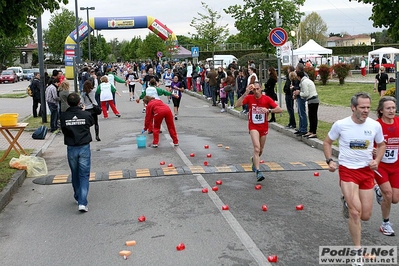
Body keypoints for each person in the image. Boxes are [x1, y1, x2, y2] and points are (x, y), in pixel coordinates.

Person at [323, 92, 385, 258]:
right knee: (355, 213)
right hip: (348, 171)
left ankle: (346, 202)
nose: (366, 110)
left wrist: (377, 160)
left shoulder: (374, 126)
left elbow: (381, 145)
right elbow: (327, 142)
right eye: (362, 107)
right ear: (353, 107)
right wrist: (329, 160)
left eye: (368, 107)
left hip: (366, 172)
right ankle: (357, 252)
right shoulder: (341, 124)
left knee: (366, 215)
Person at [235, 82, 283, 182]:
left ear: (261, 89)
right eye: (254, 90)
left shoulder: (266, 99)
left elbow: (279, 109)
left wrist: (269, 110)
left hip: (263, 127)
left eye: (257, 89)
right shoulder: (249, 97)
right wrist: (246, 93)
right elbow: (237, 105)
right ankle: (258, 171)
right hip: (253, 127)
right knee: (256, 148)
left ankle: (254, 160)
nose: (256, 91)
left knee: (260, 150)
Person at [60, 92, 94, 212]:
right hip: (84, 146)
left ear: (68, 103)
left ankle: (77, 195)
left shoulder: (63, 116)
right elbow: (91, 123)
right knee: (84, 175)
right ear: (80, 102)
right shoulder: (85, 114)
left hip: (71, 147)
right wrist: (83, 112)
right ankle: (82, 202)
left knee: (75, 173)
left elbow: (63, 129)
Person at [373, 96, 399, 236]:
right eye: (388, 108)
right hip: (380, 166)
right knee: (388, 194)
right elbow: (366, 143)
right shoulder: (375, 125)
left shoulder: (398, 123)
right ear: (381, 110)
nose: (391, 110)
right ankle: (385, 223)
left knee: (394, 199)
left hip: (396, 166)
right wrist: (372, 150)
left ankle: (378, 190)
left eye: (393, 108)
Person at [295, 70, 319, 139]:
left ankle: (314, 132)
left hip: (313, 100)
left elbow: (306, 94)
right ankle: (311, 131)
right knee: (311, 117)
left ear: (299, 77)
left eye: (297, 77)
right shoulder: (307, 80)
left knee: (313, 117)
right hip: (312, 100)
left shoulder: (304, 82)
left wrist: (299, 93)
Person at [294, 63, 308, 136]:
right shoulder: (298, 75)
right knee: (299, 113)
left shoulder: (303, 76)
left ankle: (304, 129)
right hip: (298, 95)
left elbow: (302, 86)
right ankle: (300, 128)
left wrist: (297, 91)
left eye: (296, 67)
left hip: (301, 95)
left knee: (302, 112)